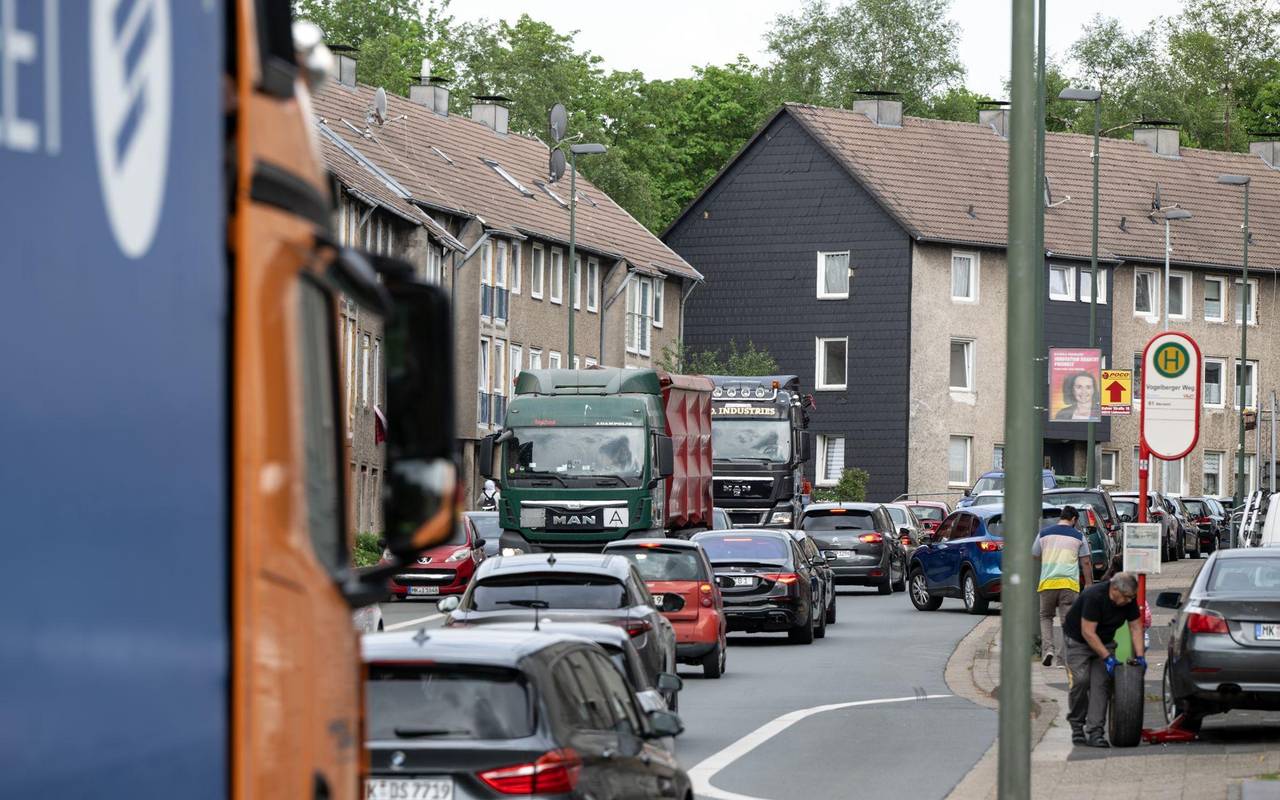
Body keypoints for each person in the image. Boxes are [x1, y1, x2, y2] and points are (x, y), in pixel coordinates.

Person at [1061, 572, 1146, 748]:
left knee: (1101, 685)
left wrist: (1140, 657)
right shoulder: (1094, 596)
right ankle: (1077, 724)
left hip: (1105, 641)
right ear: (1114, 589)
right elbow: (1088, 632)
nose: (1129, 601)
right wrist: (1107, 658)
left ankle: (1095, 732)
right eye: (1126, 597)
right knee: (1081, 681)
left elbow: (1136, 627)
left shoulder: (1128, 599)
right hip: (1079, 641)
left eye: (1131, 597)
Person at [1032, 506, 1093, 667]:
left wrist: (1047, 560)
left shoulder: (1044, 533)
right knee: (1068, 622)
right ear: (1073, 519)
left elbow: (1035, 554)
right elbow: (1086, 561)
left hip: (1047, 583)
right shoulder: (1079, 536)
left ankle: (1048, 650)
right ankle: (1061, 659)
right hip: (1069, 584)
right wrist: (1088, 583)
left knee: (1046, 617)